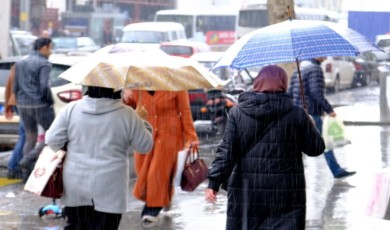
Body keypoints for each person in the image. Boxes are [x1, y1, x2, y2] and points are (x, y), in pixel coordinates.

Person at [205, 65, 325, 230]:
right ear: (283, 83)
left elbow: (227, 151)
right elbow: (316, 149)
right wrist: (310, 124)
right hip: (285, 192)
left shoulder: (237, 113)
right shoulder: (296, 113)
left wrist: (213, 183)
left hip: (248, 190)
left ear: (257, 83)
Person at [45, 86, 154, 229]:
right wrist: (142, 121)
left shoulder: (71, 109)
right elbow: (144, 146)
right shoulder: (128, 115)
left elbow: (52, 141)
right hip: (110, 187)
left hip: (75, 183)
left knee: (76, 226)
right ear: (116, 89)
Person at [123, 90, 199, 224]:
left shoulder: (176, 84)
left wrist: (191, 137)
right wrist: (125, 98)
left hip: (169, 134)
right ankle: (163, 196)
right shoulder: (136, 86)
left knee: (157, 172)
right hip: (144, 134)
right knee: (143, 173)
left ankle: (152, 208)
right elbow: (128, 109)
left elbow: (185, 112)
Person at [288, 57, 356, 179]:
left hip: (296, 113)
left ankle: (292, 174)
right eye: (323, 53)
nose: (325, 56)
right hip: (311, 113)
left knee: (295, 145)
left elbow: (290, 91)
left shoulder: (299, 68)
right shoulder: (315, 69)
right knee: (323, 142)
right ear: (315, 55)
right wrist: (329, 110)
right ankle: (336, 170)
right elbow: (316, 92)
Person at [13, 37, 55, 182]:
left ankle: (25, 173)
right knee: (53, 135)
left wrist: (18, 102)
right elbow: (44, 86)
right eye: (50, 47)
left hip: (23, 104)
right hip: (40, 104)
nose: (51, 51)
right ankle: (28, 159)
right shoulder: (44, 64)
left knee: (30, 136)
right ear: (43, 48)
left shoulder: (21, 62)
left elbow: (15, 86)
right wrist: (49, 100)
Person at [4, 65, 25, 179]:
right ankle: (14, 167)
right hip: (26, 103)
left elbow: (8, 86)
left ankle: (16, 167)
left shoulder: (17, 65)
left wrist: (8, 105)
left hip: (17, 102)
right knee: (26, 136)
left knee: (25, 136)